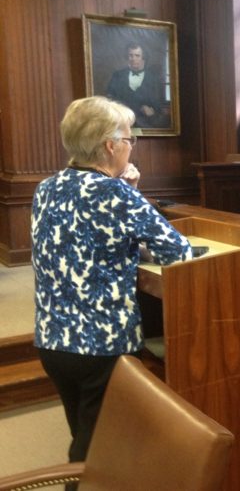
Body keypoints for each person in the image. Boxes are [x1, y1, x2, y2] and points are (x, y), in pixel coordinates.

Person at [31, 96, 192, 485]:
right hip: (100, 347)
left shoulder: (46, 188)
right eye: (129, 137)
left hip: (52, 341)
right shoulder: (117, 196)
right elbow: (179, 252)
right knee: (93, 456)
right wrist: (131, 194)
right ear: (109, 145)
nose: (131, 143)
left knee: (85, 437)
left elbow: (81, 242)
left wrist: (127, 192)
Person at [106, 42, 168, 128]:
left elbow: (159, 103)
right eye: (130, 55)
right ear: (127, 57)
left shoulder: (153, 78)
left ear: (143, 57)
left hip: (146, 123)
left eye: (137, 55)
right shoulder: (118, 75)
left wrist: (152, 111)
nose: (133, 59)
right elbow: (109, 99)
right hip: (122, 122)